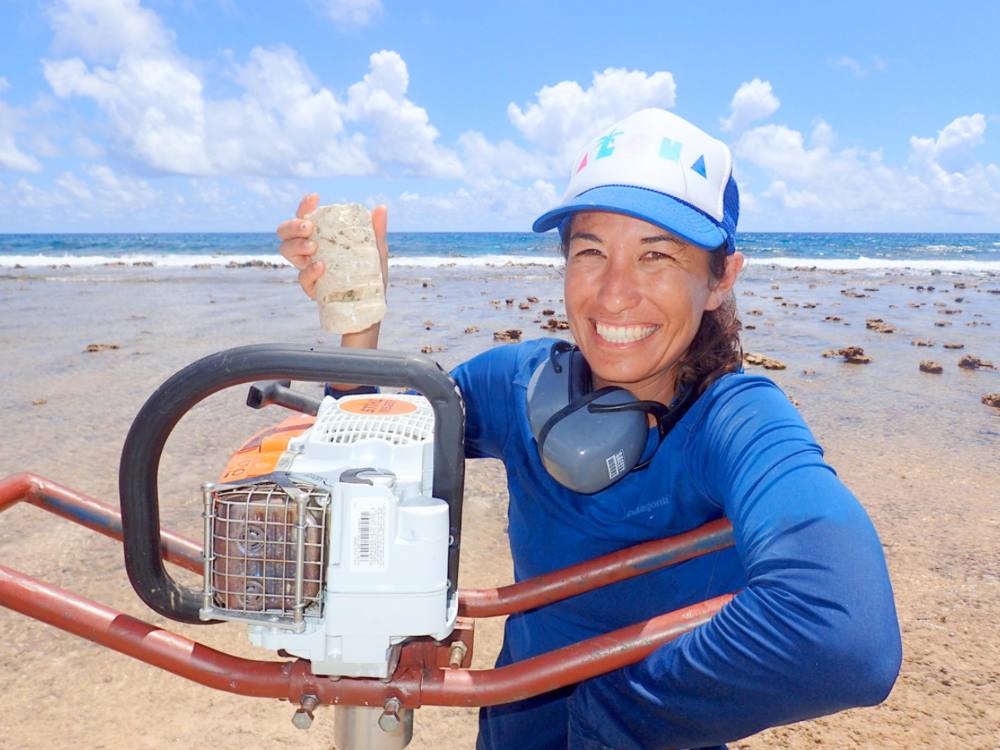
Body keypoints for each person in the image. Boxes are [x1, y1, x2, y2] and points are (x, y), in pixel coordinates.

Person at [276, 108, 902, 750]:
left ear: (721, 279)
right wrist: (359, 323)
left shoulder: (737, 421)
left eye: (657, 255)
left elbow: (848, 638)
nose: (612, 294)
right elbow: (371, 461)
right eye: (591, 252)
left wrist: (609, 715)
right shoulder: (515, 385)